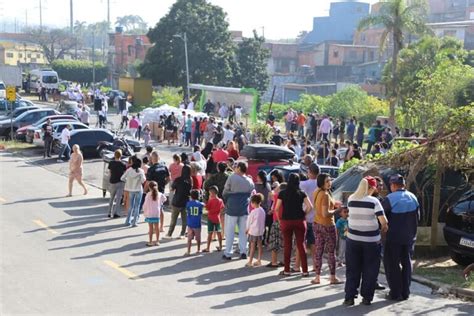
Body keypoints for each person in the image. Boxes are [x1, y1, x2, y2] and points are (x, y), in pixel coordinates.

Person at [343, 177, 388, 306]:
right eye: (374, 187)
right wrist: (382, 231)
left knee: (352, 269)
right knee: (370, 270)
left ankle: (349, 297)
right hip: (371, 241)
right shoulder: (374, 201)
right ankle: (367, 298)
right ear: (371, 188)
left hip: (353, 240)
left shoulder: (351, 199)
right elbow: (383, 221)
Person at [382, 174, 420, 301]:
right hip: (409, 238)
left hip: (393, 238)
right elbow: (418, 217)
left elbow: (381, 218)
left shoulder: (389, 199)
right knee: (407, 264)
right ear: (403, 185)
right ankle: (405, 292)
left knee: (392, 264)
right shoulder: (413, 197)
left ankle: (395, 293)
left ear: (393, 185)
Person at [274, 173, 313, 277]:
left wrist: (279, 219)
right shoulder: (302, 193)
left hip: (286, 221)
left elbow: (276, 208)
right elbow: (310, 206)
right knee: (301, 245)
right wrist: (304, 213)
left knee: (287, 246)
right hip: (299, 221)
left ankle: (286, 270)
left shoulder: (282, 193)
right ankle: (305, 270)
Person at [312, 173, 342, 285]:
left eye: (330, 180)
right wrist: (337, 210)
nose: (330, 182)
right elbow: (325, 213)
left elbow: (320, 208)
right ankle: (332, 277)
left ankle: (317, 277)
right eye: (327, 181)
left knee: (319, 250)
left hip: (317, 223)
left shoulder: (316, 191)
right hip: (327, 225)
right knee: (331, 252)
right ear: (322, 183)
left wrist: (334, 205)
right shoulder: (324, 194)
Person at [222, 161, 255, 260]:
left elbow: (225, 191)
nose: (235, 168)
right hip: (244, 208)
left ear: (239, 168)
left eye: (236, 167)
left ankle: (228, 253)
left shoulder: (232, 177)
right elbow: (251, 192)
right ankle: (244, 251)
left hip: (232, 207)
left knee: (230, 231)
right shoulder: (249, 180)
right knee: (243, 232)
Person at [297, 163, 319, 272]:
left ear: (309, 172)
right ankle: (315, 265)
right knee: (314, 243)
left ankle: (297, 265)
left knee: (301, 243)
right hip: (316, 217)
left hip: (305, 216)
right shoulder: (320, 185)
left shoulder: (303, 184)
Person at [166, 164, 192, 239]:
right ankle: (182, 234)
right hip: (185, 202)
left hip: (176, 201)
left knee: (173, 219)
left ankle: (169, 234)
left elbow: (172, 189)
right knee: (184, 220)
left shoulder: (178, 179)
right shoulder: (190, 180)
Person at [121, 156, 146, 227]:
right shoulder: (141, 171)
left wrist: (128, 181)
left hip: (131, 189)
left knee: (130, 206)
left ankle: (127, 221)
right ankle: (134, 222)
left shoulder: (129, 170)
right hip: (138, 189)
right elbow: (143, 180)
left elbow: (122, 178)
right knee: (137, 206)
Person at [266, 182, 285, 268]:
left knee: (274, 242)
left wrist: (276, 188)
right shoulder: (287, 197)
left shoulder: (277, 196)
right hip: (285, 220)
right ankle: (284, 261)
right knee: (284, 242)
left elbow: (271, 193)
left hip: (277, 220)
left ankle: (274, 261)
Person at [143, 181, 166, 246]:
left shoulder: (148, 194)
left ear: (149, 188)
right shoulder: (160, 194)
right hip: (157, 213)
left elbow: (145, 204)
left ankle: (150, 242)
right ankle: (157, 241)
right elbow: (165, 199)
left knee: (151, 228)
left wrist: (145, 212)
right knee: (157, 227)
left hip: (150, 213)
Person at [246, 193, 266, 267]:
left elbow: (249, 221)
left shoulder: (253, 212)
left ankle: (250, 261)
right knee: (260, 245)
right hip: (260, 231)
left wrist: (247, 229)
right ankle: (259, 260)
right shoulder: (262, 211)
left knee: (252, 246)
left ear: (253, 202)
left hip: (253, 231)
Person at [204, 186, 224, 253]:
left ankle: (208, 248)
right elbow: (222, 208)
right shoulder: (220, 200)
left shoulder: (211, 200)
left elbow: (207, 208)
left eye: (210, 193)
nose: (210, 195)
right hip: (217, 218)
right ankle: (220, 246)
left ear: (212, 193)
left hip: (210, 218)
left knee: (210, 233)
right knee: (219, 232)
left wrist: (207, 201)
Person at [107, 149, 126, 218]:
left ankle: (109, 212)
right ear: (121, 156)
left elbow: (109, 173)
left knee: (111, 198)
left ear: (114, 155)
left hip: (112, 182)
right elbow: (124, 174)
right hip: (120, 183)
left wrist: (109, 181)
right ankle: (115, 213)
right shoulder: (123, 164)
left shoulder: (111, 163)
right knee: (118, 199)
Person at [185, 190, 204, 256]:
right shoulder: (200, 204)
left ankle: (188, 251)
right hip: (197, 224)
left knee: (189, 238)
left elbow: (187, 210)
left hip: (190, 223)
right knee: (198, 238)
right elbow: (202, 210)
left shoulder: (188, 203)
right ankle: (198, 249)